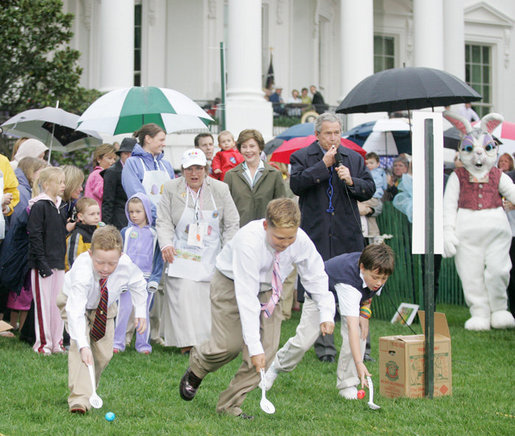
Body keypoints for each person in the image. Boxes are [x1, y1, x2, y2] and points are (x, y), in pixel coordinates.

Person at [179, 198, 335, 419]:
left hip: (272, 288)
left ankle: (229, 406)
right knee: (229, 345)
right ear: (265, 226)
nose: (285, 243)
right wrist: (254, 347)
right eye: (279, 237)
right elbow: (246, 297)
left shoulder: (300, 241)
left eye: (290, 237)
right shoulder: (248, 242)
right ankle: (199, 366)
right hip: (231, 283)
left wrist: (326, 312)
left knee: (266, 354)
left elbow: (316, 276)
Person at [290, 112, 376, 362]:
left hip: (347, 235)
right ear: (317, 135)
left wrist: (352, 181)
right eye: (327, 133)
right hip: (316, 235)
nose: (333, 138)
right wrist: (322, 166)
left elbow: (369, 188)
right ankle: (325, 348)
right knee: (319, 288)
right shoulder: (302, 157)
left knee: (357, 289)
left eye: (337, 132)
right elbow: (296, 184)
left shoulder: (354, 158)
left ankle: (361, 346)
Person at [264, 243, 395, 400]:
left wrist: (365, 314)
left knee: (360, 332)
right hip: (320, 293)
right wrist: (360, 363)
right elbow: (351, 327)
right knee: (303, 342)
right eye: (376, 278)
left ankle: (348, 384)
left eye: (384, 279)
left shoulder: (376, 270)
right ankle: (275, 367)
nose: (379, 282)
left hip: (346, 294)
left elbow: (369, 293)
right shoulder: (349, 285)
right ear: (362, 268)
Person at [56, 225, 148, 414]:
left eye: (111, 263)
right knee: (80, 349)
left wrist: (140, 311)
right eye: (100, 263)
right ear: (90, 255)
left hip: (105, 305)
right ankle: (79, 400)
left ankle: (89, 389)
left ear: (120, 256)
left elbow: (139, 284)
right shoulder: (82, 271)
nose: (105, 268)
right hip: (74, 304)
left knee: (104, 354)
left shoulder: (125, 264)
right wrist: (83, 345)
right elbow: (75, 310)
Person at [157, 149, 239, 354]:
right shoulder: (170, 188)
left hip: (211, 252)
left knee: (206, 297)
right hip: (181, 251)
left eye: (199, 168)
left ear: (206, 169)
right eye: (189, 169)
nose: (194, 174)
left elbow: (232, 222)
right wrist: (166, 244)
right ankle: (186, 341)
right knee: (182, 293)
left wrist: (227, 250)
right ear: (182, 170)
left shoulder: (220, 189)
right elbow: (164, 220)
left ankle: (206, 341)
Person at [113, 193, 163, 354]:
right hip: (127, 281)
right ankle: (117, 343)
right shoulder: (125, 232)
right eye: (131, 211)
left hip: (147, 280)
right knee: (123, 311)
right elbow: (118, 257)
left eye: (138, 211)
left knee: (144, 313)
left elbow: (159, 259)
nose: (134, 215)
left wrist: (155, 279)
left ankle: (143, 345)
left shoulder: (155, 234)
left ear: (147, 211)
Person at [1, 157, 47, 333]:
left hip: (12, 239)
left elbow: (13, 206)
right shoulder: (24, 191)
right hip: (18, 247)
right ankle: (11, 324)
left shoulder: (25, 188)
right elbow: (19, 222)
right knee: (16, 291)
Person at [27, 167, 67, 354]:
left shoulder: (59, 207)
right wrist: (42, 263)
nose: (63, 186)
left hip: (59, 262)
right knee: (44, 305)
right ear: (46, 184)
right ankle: (43, 343)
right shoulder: (39, 206)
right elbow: (35, 237)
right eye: (60, 182)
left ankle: (57, 342)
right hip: (42, 264)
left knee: (58, 303)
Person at [224, 129, 286, 227]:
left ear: (260, 148)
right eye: (244, 147)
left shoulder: (274, 174)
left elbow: (282, 208)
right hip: (239, 233)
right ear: (240, 149)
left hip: (266, 233)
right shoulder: (231, 175)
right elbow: (226, 209)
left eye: (252, 146)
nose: (248, 150)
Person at [122, 123, 175, 224]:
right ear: (148, 139)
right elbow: (137, 196)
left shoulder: (166, 165)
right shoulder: (132, 163)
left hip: (166, 225)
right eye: (161, 140)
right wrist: (158, 216)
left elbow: (174, 194)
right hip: (142, 226)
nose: (164, 144)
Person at [101, 137, 137, 230]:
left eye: (132, 154)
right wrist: (107, 228)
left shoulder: (139, 170)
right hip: (119, 219)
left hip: (136, 218)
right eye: (126, 153)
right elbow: (107, 201)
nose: (129, 157)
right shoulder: (112, 172)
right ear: (121, 154)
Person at [65, 197, 101, 271]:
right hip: (81, 275)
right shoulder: (77, 235)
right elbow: (72, 259)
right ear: (80, 216)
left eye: (98, 213)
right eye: (92, 214)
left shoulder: (99, 232)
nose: (97, 217)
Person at [359, 152, 387, 243]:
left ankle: (373, 234)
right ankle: (374, 234)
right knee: (370, 217)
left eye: (371, 163)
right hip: (373, 197)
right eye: (367, 163)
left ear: (378, 164)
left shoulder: (376, 173)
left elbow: (374, 185)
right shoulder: (380, 173)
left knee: (359, 206)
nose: (369, 165)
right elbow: (385, 186)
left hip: (373, 197)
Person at [84, 144, 117, 211]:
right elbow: (104, 193)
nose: (113, 161)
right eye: (109, 158)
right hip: (96, 215)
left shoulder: (97, 173)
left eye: (114, 159)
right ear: (99, 159)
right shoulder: (98, 174)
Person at [62, 165, 85, 232]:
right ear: (69, 185)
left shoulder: (71, 203)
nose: (81, 189)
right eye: (78, 185)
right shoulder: (53, 206)